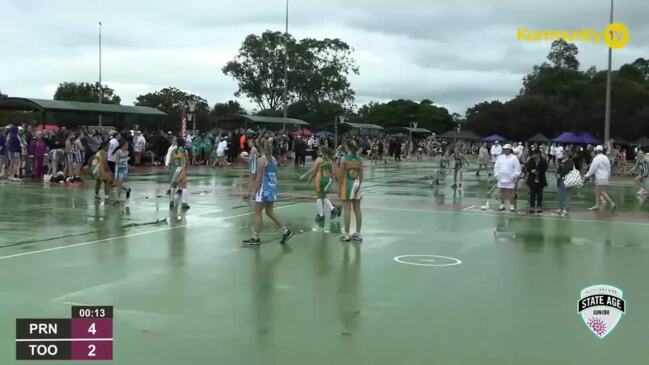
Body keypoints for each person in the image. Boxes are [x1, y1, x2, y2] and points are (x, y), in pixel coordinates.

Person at [242, 137, 294, 245]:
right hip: (272, 187)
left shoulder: (261, 160)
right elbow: (275, 175)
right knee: (269, 211)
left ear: (261, 147)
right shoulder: (273, 159)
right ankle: (286, 230)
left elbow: (259, 178)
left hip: (264, 189)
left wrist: (254, 192)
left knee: (257, 212)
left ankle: (256, 237)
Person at [300, 145, 341, 222]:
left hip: (320, 180)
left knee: (319, 197)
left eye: (319, 150)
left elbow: (314, 170)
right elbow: (333, 172)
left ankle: (324, 214)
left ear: (321, 152)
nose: (318, 151)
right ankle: (331, 210)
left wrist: (306, 176)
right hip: (328, 180)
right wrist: (335, 180)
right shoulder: (329, 160)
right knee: (323, 196)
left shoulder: (319, 159)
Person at [338, 140, 364, 241]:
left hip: (347, 184)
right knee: (357, 209)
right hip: (357, 184)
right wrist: (358, 185)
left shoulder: (344, 159)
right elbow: (361, 175)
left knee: (347, 210)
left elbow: (341, 175)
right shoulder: (359, 159)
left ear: (347, 147)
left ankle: (347, 233)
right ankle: (358, 233)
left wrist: (339, 187)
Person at [584, 145, 616, 212]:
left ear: (596, 151)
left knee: (601, 192)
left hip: (599, 177)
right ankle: (597, 205)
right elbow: (609, 168)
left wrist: (586, 176)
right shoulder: (605, 158)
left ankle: (612, 203)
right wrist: (608, 176)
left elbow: (592, 169)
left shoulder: (596, 158)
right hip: (605, 177)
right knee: (598, 191)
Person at [493, 144, 521, 212]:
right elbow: (496, 167)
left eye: (507, 149)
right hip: (501, 178)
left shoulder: (514, 158)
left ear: (510, 149)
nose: (505, 150)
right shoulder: (500, 157)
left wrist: (514, 176)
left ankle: (511, 205)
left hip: (510, 179)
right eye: (504, 149)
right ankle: (502, 205)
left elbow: (517, 168)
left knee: (511, 193)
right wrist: (497, 175)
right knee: (501, 192)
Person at [168, 137, 190, 210]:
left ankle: (171, 201)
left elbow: (170, 162)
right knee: (183, 186)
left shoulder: (173, 151)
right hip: (181, 170)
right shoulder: (184, 151)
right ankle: (184, 203)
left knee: (173, 186)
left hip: (174, 170)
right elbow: (187, 161)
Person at [525, 146, 547, 214]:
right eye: (534, 154)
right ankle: (532, 206)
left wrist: (538, 171)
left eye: (536, 154)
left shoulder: (543, 160)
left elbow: (545, 168)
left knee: (540, 194)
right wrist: (532, 171)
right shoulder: (531, 160)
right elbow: (528, 168)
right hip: (532, 179)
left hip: (541, 179)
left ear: (539, 154)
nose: (534, 155)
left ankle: (539, 206)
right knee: (532, 193)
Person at [555, 149, 574, 217]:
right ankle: (560, 208)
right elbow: (559, 169)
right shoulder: (561, 161)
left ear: (567, 155)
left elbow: (568, 171)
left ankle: (566, 209)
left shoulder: (570, 162)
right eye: (562, 154)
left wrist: (561, 174)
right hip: (560, 180)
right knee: (560, 194)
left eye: (564, 154)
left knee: (566, 194)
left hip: (567, 180)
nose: (563, 155)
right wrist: (557, 173)